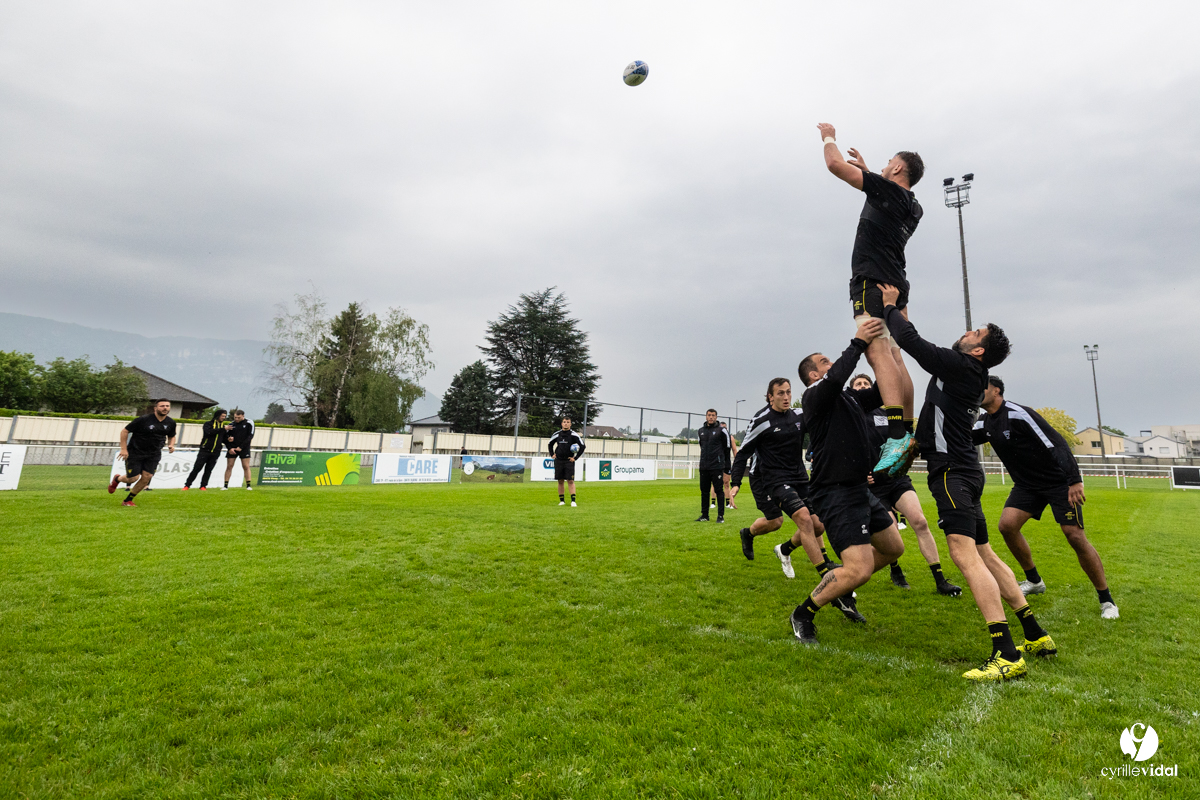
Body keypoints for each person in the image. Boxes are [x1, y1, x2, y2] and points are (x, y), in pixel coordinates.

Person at [880, 283, 1055, 682]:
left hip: (952, 474)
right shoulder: (966, 369)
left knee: (965, 558)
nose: (968, 331)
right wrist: (903, 306)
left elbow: (909, 341)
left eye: (976, 333)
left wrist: (889, 306)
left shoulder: (961, 367)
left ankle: (1005, 653)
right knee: (987, 555)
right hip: (966, 472)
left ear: (977, 351)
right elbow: (916, 337)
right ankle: (1035, 634)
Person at [789, 320, 907, 645]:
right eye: (824, 362)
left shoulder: (850, 400)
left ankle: (840, 585)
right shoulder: (814, 396)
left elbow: (885, 389)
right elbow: (838, 374)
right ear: (814, 375)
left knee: (894, 548)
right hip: (834, 493)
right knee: (859, 569)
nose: (831, 364)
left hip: (859, 488)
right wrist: (857, 343)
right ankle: (804, 612)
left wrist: (888, 352)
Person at [817, 122, 923, 475]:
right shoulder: (914, 206)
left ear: (897, 168)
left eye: (888, 161)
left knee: (877, 352)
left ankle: (895, 435)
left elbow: (834, 165)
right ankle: (907, 431)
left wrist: (829, 137)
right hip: (896, 282)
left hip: (873, 281)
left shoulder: (890, 192)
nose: (883, 164)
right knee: (895, 355)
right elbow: (881, 197)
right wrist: (866, 172)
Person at [975, 376, 1119, 619]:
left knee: (1074, 535)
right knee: (1007, 526)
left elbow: (1057, 443)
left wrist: (1074, 479)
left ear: (997, 390)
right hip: (1027, 486)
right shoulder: (984, 423)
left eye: (982, 386)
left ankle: (1106, 600)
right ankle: (1034, 581)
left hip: (1058, 483)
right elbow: (958, 438)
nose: (977, 391)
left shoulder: (1019, 414)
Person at [729, 380, 864, 624]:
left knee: (818, 525)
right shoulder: (761, 421)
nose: (786, 397)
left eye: (789, 392)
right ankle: (826, 576)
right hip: (771, 479)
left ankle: (768, 542)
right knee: (793, 519)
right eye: (780, 393)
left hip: (800, 477)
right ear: (770, 397)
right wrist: (736, 482)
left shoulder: (800, 415)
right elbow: (744, 452)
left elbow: (822, 429)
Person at [849, 374, 962, 597]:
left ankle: (940, 580)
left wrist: (902, 459)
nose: (863, 386)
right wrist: (861, 476)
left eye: (866, 384)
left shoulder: (887, 414)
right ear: (852, 391)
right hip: (872, 487)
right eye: (858, 384)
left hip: (896, 479)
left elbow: (902, 443)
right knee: (891, 531)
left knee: (920, 521)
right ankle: (896, 569)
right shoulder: (849, 418)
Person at [107, 398, 177, 506]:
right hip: (136, 451)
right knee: (133, 478)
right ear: (155, 408)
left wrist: (171, 444)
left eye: (167, 406)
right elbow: (125, 431)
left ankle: (128, 500)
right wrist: (124, 449)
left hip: (154, 453)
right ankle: (117, 478)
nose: (165, 408)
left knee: (147, 477)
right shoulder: (143, 419)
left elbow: (172, 436)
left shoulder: (171, 422)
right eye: (162, 406)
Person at [696, 409, 730, 522]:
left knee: (719, 491)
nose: (711, 417)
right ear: (706, 416)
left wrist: (727, 469)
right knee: (704, 491)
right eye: (709, 415)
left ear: (716, 417)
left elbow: (727, 450)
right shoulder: (700, 431)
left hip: (717, 466)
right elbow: (702, 447)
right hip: (704, 467)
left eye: (713, 415)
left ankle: (720, 516)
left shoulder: (722, 431)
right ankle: (704, 515)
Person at [183, 408, 227, 491]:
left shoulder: (223, 427)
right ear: (217, 416)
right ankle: (187, 485)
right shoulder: (208, 424)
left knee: (208, 470)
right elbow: (209, 433)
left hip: (215, 452)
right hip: (204, 450)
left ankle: (203, 486)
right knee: (197, 468)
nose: (224, 418)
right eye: (222, 416)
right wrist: (223, 429)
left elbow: (223, 439)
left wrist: (229, 439)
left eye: (225, 416)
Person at [547, 416, 585, 506]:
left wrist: (575, 458)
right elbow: (550, 444)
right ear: (562, 423)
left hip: (569, 461)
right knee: (560, 481)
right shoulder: (557, 434)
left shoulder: (574, 435)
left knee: (570, 480)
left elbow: (582, 446)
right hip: (559, 460)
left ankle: (573, 501)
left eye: (568, 422)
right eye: (564, 422)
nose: (566, 423)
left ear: (570, 424)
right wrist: (552, 454)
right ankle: (562, 501)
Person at [222, 409, 255, 490]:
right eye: (235, 417)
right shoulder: (231, 424)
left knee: (246, 466)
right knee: (229, 466)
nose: (236, 419)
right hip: (232, 449)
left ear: (243, 416)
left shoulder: (249, 423)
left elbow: (250, 436)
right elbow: (225, 437)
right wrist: (230, 447)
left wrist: (241, 447)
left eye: (238, 417)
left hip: (244, 448)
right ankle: (225, 486)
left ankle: (248, 485)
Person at [720, 421, 738, 510]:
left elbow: (734, 450)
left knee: (726, 483)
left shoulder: (730, 438)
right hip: (716, 463)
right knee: (715, 484)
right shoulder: (716, 438)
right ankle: (713, 503)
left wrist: (737, 461)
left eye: (725, 428)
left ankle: (728, 502)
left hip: (726, 463)